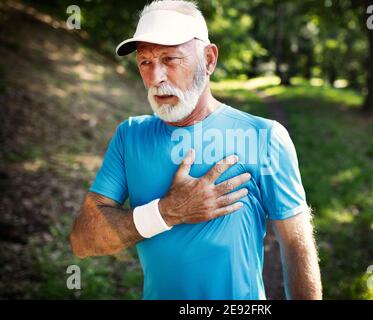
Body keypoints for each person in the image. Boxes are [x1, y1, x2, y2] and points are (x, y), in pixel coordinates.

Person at [70, 0, 322, 300]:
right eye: (145, 62)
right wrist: (167, 212)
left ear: (209, 59)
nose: (155, 77)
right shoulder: (130, 136)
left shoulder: (264, 136)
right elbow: (83, 239)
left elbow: (296, 245)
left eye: (170, 59)